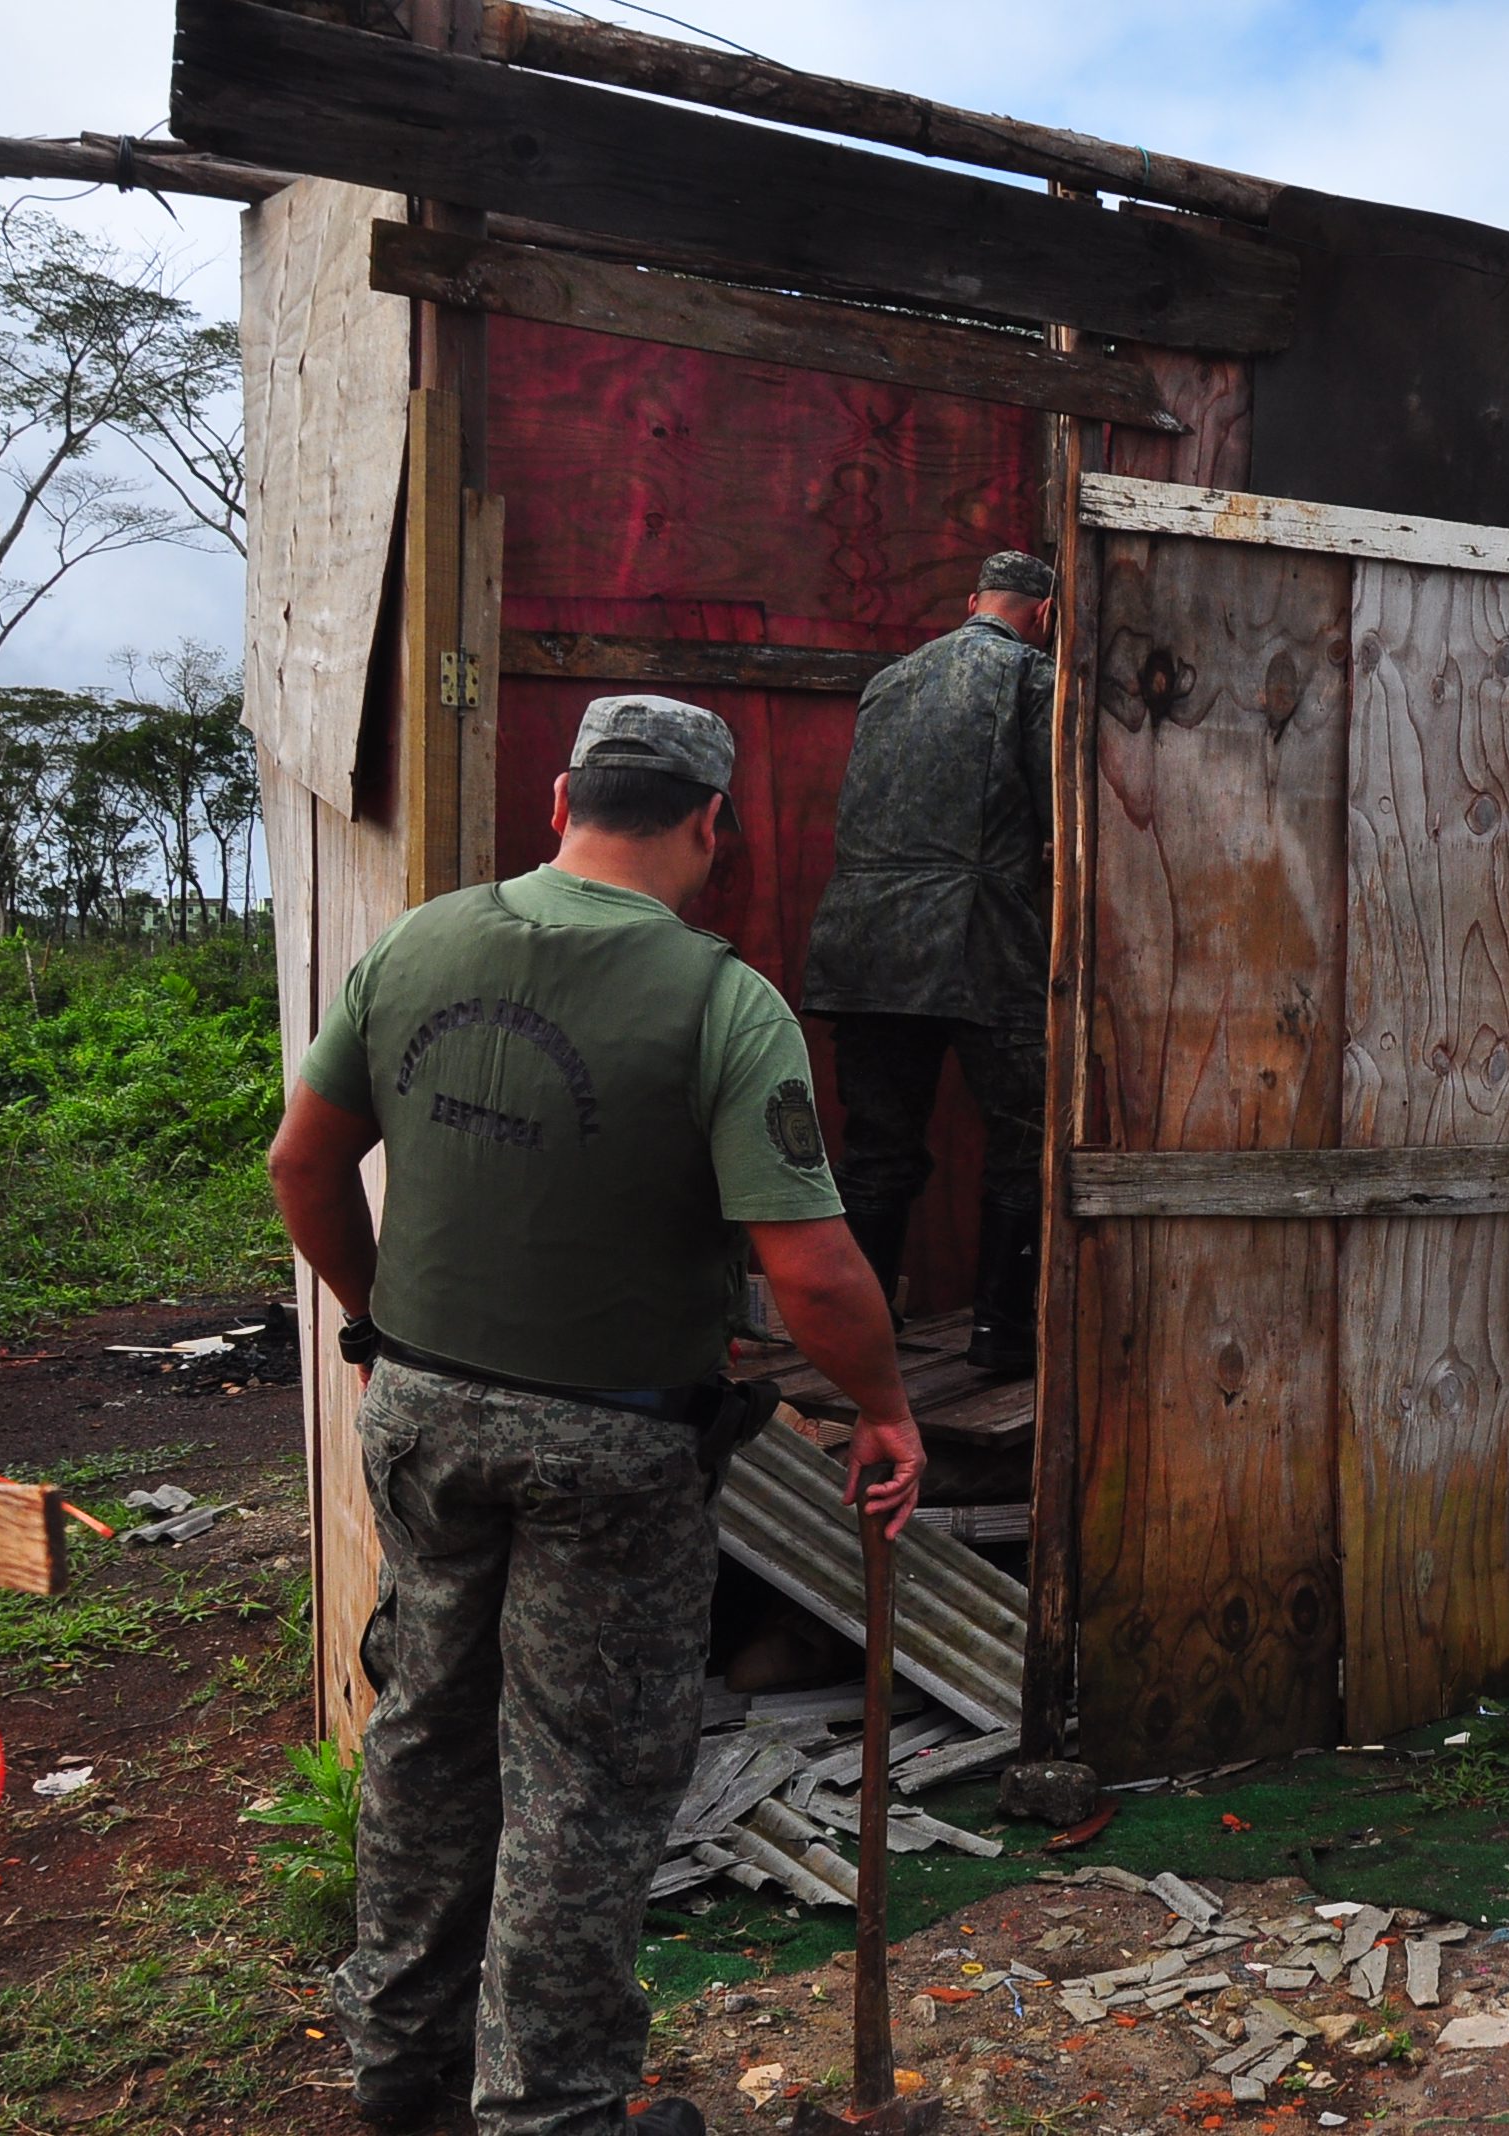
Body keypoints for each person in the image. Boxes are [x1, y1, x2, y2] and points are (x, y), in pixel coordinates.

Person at [265, 697, 927, 2136]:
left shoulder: (418, 944)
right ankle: (552, 2114)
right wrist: (884, 1410)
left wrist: (383, 1322)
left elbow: (302, 1166)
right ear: (711, 823)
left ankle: (403, 2082)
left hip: (424, 1423)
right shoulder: (718, 1001)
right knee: (579, 1782)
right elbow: (808, 1268)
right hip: (610, 1453)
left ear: (564, 794)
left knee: (428, 1741)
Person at [800, 549, 1058, 1375]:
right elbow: (1066, 816)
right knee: (1025, 1139)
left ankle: (861, 1338)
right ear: (1045, 616)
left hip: (866, 945)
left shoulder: (889, 683)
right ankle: (1001, 1334)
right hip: (980, 943)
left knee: (878, 1149)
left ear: (975, 600)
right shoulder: (1034, 680)